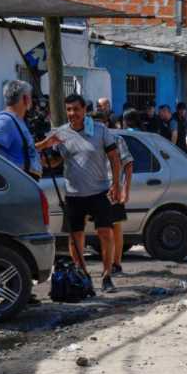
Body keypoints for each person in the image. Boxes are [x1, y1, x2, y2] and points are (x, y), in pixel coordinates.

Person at [35, 94, 123, 293]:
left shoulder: (100, 130)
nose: (72, 113)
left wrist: (117, 184)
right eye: (69, 109)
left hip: (99, 191)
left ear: (84, 110)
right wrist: (43, 147)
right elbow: (55, 161)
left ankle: (107, 276)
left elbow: (114, 158)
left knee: (105, 233)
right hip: (74, 194)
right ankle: (82, 275)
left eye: (76, 109)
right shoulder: (61, 133)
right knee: (75, 236)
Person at [93, 111, 134, 276]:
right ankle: (107, 264)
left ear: (106, 123)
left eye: (100, 122)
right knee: (101, 230)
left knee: (115, 227)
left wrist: (125, 190)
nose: (97, 126)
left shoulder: (117, 140)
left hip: (113, 189)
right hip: (94, 191)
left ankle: (116, 263)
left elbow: (128, 165)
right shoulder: (89, 141)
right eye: (94, 123)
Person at [0, 80, 42, 180]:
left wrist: (45, 144)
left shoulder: (17, 120)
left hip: (24, 182)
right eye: (30, 96)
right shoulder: (5, 121)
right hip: (16, 183)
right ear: (26, 98)